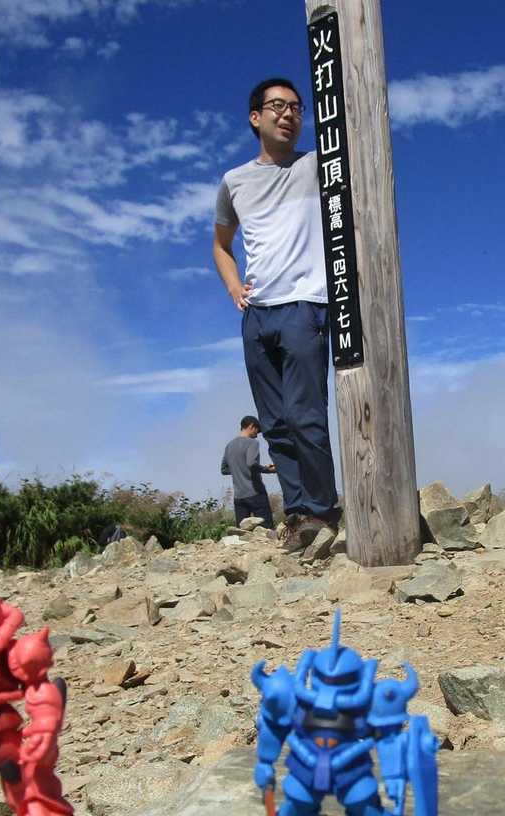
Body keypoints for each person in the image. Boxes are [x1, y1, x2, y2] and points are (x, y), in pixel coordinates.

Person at [213, 76, 340, 550]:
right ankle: (299, 513)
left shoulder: (317, 165)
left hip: (306, 304)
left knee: (306, 416)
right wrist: (233, 285)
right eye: (278, 106)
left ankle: (323, 512)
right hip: (257, 315)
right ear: (256, 117)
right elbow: (221, 244)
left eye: (296, 108)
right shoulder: (234, 182)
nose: (289, 114)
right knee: (276, 424)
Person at [221, 414, 277, 527]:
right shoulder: (252, 443)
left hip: (239, 497)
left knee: (242, 533)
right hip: (256, 493)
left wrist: (238, 469)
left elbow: (224, 470)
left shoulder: (229, 446)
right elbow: (251, 463)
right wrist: (267, 469)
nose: (257, 435)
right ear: (251, 426)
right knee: (267, 529)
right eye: (257, 431)